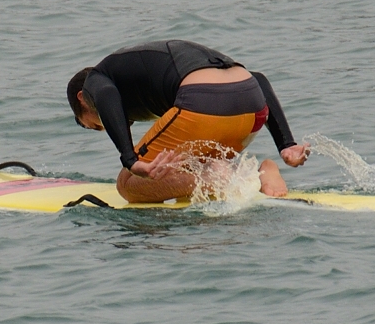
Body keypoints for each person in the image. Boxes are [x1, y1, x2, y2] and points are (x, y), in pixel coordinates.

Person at [67, 40, 308, 203]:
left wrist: (130, 161)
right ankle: (260, 171)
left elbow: (106, 96)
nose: (107, 125)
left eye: (97, 124)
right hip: (252, 103)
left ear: (83, 99)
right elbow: (259, 79)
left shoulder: (95, 79)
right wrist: (286, 143)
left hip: (202, 101)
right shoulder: (140, 70)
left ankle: (226, 179)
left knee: (128, 184)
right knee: (189, 162)